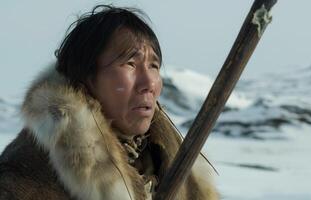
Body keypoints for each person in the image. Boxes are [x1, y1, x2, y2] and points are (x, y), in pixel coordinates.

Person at [0, 5, 218, 200]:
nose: (149, 83)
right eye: (130, 63)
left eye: (154, 66)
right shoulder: (24, 178)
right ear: (84, 79)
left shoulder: (177, 169)